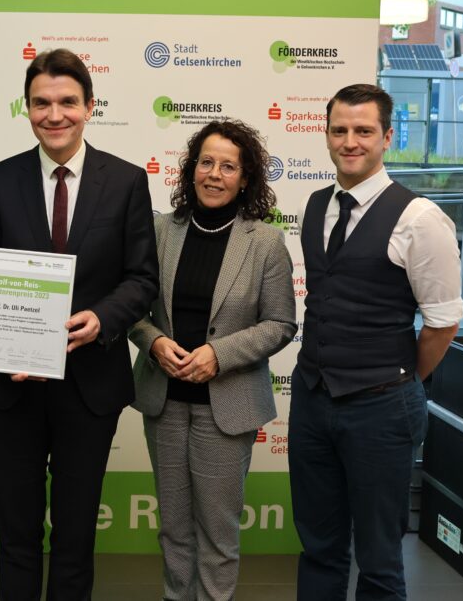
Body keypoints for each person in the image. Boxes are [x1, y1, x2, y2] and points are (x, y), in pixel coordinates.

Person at [0, 49, 159, 600]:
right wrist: (11, 346)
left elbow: (141, 278)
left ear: (89, 107)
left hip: (89, 388)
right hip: (12, 388)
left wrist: (101, 318)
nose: (55, 115)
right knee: (16, 535)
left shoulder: (124, 181)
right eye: (42, 103)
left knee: (75, 539)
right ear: (27, 108)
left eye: (67, 102)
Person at [290, 84, 463, 600]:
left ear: (387, 137)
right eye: (339, 130)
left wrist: (395, 380)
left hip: (382, 409)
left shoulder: (420, 218)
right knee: (318, 547)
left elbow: (442, 325)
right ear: (326, 135)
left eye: (363, 131)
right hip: (313, 401)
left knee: (380, 559)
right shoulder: (318, 204)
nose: (350, 141)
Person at [129, 120, 296, 601]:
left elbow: (281, 323)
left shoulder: (265, 242)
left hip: (226, 408)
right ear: (191, 169)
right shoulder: (161, 230)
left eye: (228, 166)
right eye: (206, 162)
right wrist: (155, 342)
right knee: (174, 529)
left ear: (245, 178)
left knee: (218, 537)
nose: (214, 174)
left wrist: (218, 356)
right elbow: (134, 310)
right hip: (165, 401)